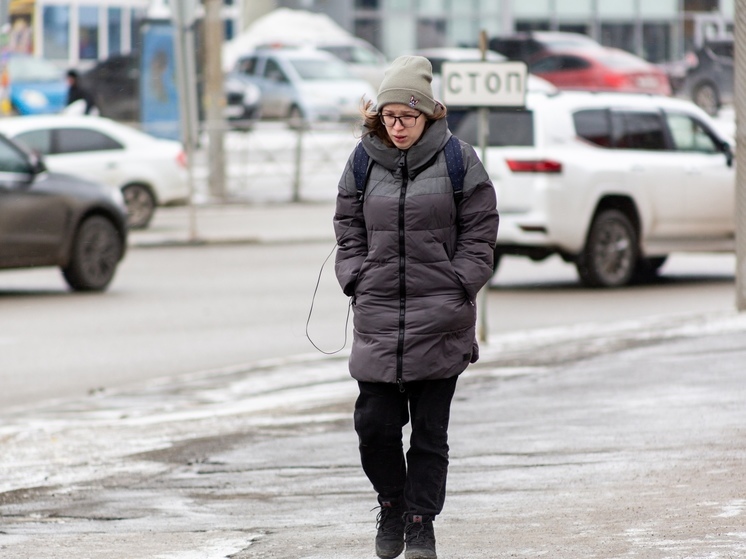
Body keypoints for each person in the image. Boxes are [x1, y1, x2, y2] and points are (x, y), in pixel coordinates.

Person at [333, 56, 499, 559]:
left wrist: (460, 283)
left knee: (430, 434)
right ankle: (391, 503)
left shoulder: (458, 160)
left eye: (407, 116)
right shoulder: (361, 162)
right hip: (379, 317)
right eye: (389, 117)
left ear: (427, 114)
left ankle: (420, 523)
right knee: (374, 427)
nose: (398, 126)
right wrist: (355, 277)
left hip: (441, 320)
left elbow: (481, 230)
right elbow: (347, 228)